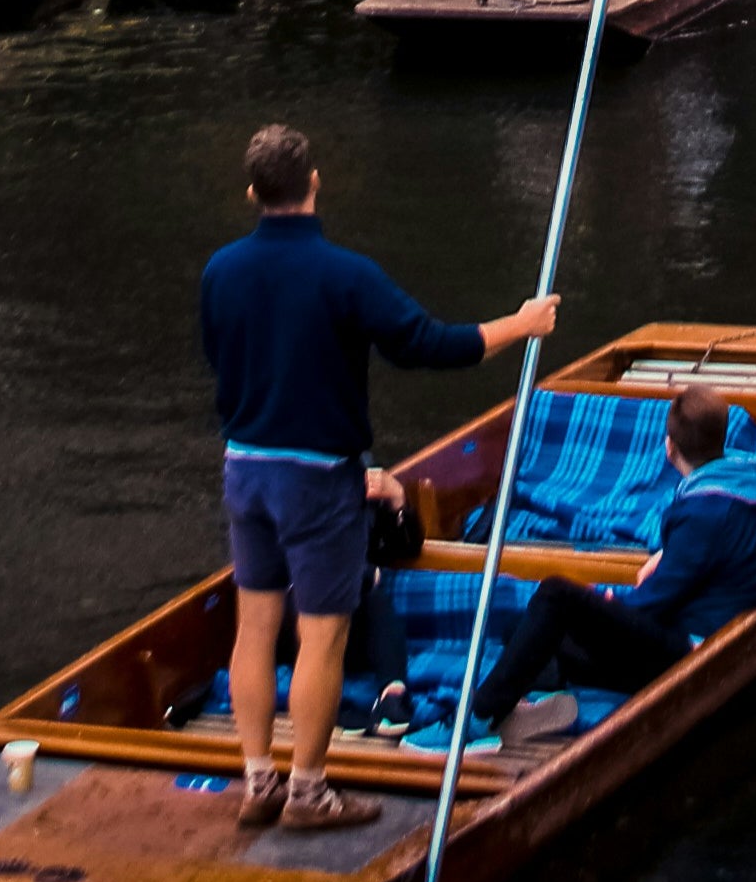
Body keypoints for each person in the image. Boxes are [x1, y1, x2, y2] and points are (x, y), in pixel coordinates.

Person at [200, 124, 559, 832]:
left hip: (244, 469)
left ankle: (256, 781)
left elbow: (219, 358)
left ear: (251, 193)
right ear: (314, 183)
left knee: (254, 627)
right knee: (323, 635)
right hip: (318, 481)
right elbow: (429, 345)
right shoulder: (345, 274)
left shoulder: (219, 271)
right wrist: (521, 325)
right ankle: (306, 791)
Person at [461, 386, 756, 748]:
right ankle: (536, 705)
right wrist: (662, 558)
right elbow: (701, 556)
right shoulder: (737, 486)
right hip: (694, 626)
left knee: (557, 596)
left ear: (669, 447)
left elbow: (652, 601)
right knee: (524, 628)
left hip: (691, 654)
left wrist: (607, 606)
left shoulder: (706, 513)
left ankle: (477, 719)